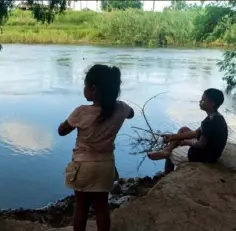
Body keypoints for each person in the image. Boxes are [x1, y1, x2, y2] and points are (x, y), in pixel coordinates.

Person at [58, 64, 134, 231]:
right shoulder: (120, 108)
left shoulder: (82, 112)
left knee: (81, 208)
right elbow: (131, 113)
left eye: (85, 85)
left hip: (83, 166)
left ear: (93, 89)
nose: (84, 89)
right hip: (105, 166)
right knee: (102, 208)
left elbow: (61, 131)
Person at [148, 88, 228, 174]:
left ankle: (167, 172)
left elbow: (201, 144)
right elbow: (195, 133)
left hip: (204, 156)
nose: (200, 101)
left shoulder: (209, 122)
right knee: (184, 129)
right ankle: (166, 150)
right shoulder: (216, 117)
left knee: (172, 153)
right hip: (212, 152)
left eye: (203, 99)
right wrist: (172, 137)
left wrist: (187, 142)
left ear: (212, 103)